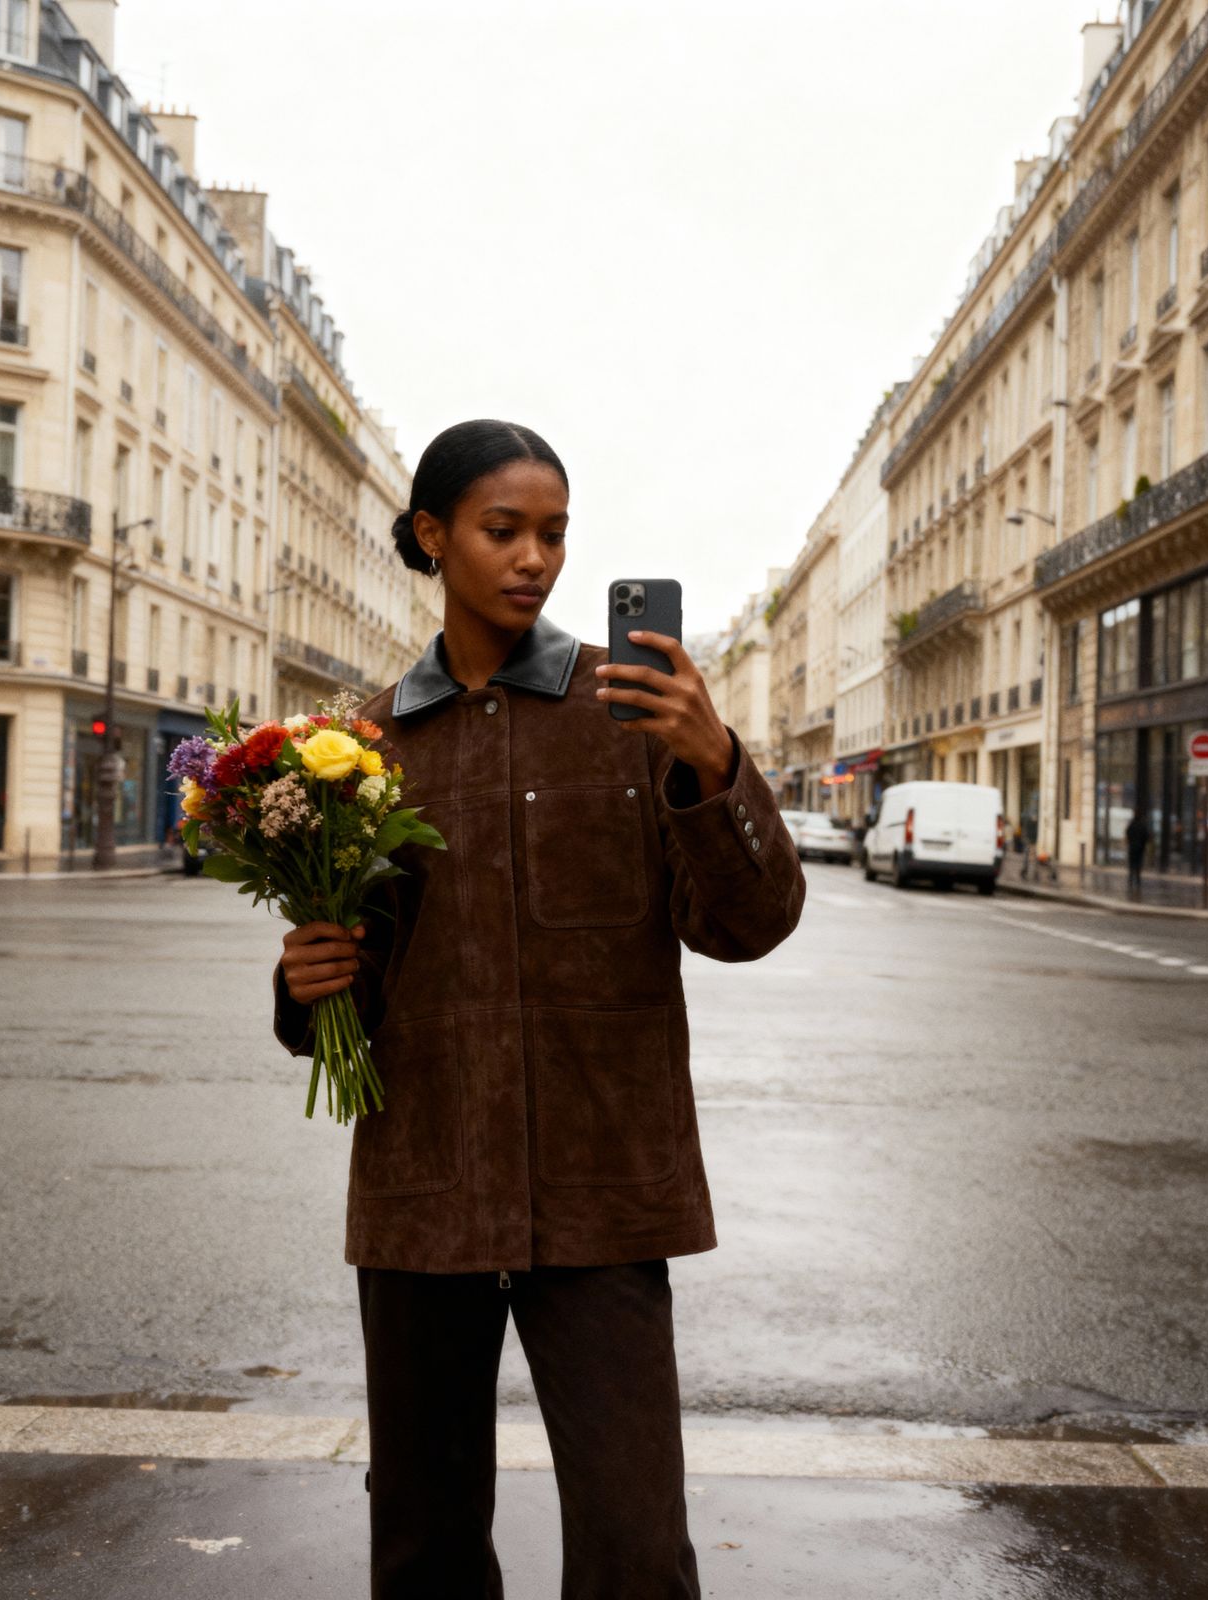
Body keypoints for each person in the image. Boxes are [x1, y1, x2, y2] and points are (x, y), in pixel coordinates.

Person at [272, 419, 805, 1599]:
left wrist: (713, 763)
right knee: (423, 1547)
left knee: (635, 1553)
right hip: (425, 1194)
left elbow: (750, 922)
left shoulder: (633, 713)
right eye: (503, 530)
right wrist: (304, 983)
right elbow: (347, 994)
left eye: (554, 534)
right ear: (433, 535)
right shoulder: (364, 746)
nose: (535, 559)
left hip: (603, 1191)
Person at [1125, 807, 1150, 897]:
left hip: (1133, 847)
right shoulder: (1142, 825)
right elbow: (1147, 836)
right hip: (1140, 848)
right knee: (1138, 865)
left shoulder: (1132, 824)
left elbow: (1128, 833)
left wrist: (1131, 841)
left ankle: (1131, 881)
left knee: (1132, 865)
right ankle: (1137, 881)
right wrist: (1143, 844)